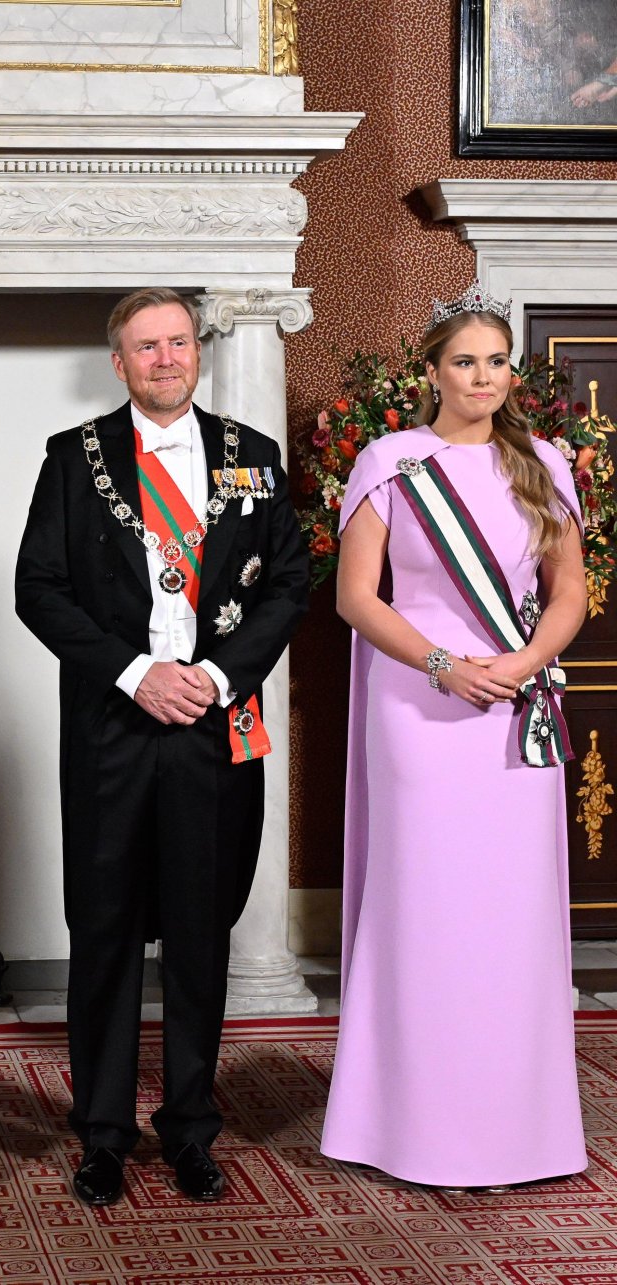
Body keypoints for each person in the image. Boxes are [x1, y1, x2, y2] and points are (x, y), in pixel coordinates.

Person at [14, 287, 309, 1205]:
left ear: (198, 351)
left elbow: (290, 584)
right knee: (102, 931)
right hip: (112, 727)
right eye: (147, 346)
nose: (167, 357)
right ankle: (101, 1131)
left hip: (212, 728)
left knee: (197, 929)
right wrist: (135, 671)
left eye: (179, 341)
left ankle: (189, 1124)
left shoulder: (251, 459)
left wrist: (217, 678)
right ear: (120, 362)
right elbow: (39, 589)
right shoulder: (75, 459)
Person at [320, 280, 588, 1188]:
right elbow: (358, 596)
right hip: (419, 710)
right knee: (427, 911)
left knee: (509, 919)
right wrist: (441, 662)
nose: (484, 377)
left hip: (511, 712)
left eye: (498, 362)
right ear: (431, 370)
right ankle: (406, 1124)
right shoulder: (391, 461)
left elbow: (571, 594)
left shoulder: (542, 462)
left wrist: (516, 667)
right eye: (465, 361)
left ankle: (518, 1128)